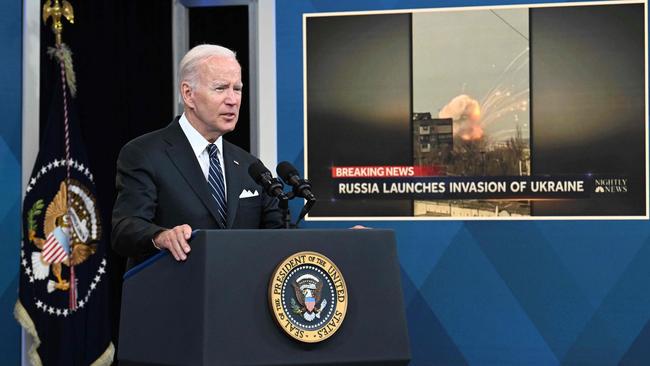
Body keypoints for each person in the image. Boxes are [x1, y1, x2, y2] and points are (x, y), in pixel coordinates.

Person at [112, 44, 283, 268]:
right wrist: (160, 236)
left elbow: (280, 235)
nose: (233, 100)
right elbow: (125, 228)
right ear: (188, 94)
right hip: (176, 294)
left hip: (237, 297)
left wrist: (334, 241)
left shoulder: (250, 167)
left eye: (237, 89)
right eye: (221, 88)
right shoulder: (145, 153)